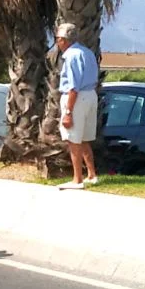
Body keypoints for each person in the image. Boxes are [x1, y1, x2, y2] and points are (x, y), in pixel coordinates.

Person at [54, 22, 99, 189]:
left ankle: (77, 179)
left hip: (76, 98)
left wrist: (67, 112)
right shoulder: (87, 52)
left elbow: (73, 86)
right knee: (85, 138)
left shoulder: (71, 56)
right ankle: (92, 174)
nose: (57, 42)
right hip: (90, 95)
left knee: (73, 139)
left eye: (58, 39)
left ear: (64, 40)